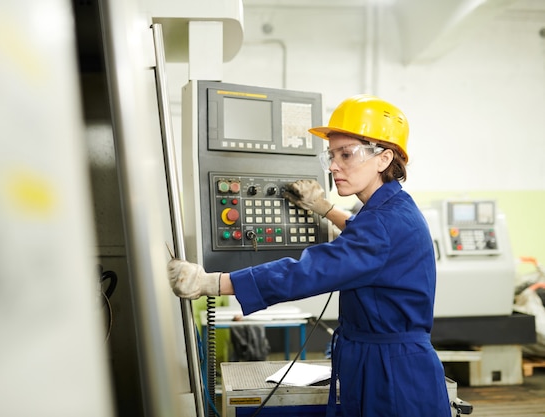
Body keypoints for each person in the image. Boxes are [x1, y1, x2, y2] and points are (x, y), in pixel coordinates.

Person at [168, 94, 451, 417]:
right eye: (331, 156)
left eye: (346, 155)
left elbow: (309, 271)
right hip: (383, 359)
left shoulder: (385, 223)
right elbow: (363, 232)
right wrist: (325, 209)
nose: (333, 166)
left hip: (392, 372)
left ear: (384, 159)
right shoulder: (392, 209)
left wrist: (214, 282)